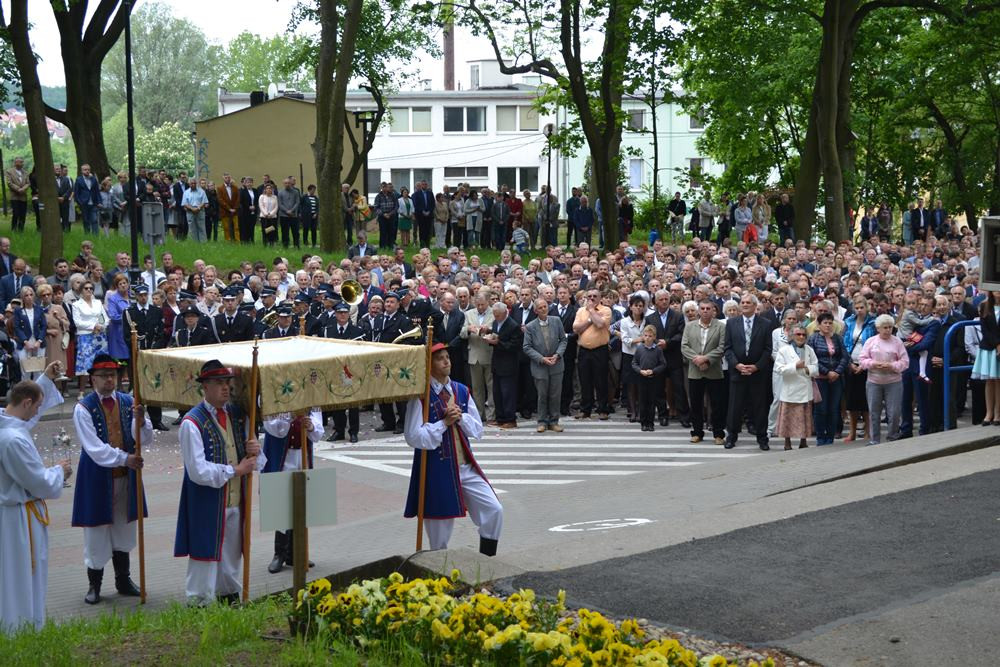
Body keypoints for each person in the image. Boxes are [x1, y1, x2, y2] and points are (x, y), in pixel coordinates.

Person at [175, 360, 265, 606]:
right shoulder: (191, 422)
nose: (225, 388)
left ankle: (229, 596)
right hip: (207, 499)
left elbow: (257, 459)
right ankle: (199, 602)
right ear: (204, 386)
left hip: (235, 498)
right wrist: (235, 470)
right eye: (218, 383)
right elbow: (197, 471)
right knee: (205, 554)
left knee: (232, 554)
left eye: (227, 382)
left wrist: (255, 449)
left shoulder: (238, 415)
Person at [402, 343, 502, 556]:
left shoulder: (461, 390)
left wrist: (462, 417)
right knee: (439, 528)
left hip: (465, 466)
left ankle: (487, 559)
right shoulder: (421, 396)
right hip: (437, 470)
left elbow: (478, 430)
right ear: (429, 365)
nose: (446, 361)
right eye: (440, 358)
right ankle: (439, 573)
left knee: (494, 510)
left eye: (447, 357)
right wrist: (443, 423)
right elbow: (413, 436)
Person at [71, 354, 150, 604]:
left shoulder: (129, 402)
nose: (109, 380)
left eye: (113, 375)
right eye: (104, 376)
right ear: (93, 378)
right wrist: (125, 458)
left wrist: (141, 419)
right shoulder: (83, 407)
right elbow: (94, 448)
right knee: (96, 532)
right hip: (97, 477)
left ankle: (123, 580)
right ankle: (94, 584)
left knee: (123, 528)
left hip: (125, 477)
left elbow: (144, 438)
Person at [0, 362, 71, 633]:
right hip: (18, 518)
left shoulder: (8, 423)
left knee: (12, 575)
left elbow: (26, 415)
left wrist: (45, 378)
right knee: (20, 576)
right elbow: (38, 482)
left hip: (10, 514)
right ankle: (20, 629)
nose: (38, 413)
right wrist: (59, 471)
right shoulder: (13, 440)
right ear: (27, 403)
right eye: (38, 406)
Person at [262, 409, 323, 573]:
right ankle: (279, 554)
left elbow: (318, 432)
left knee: (301, 504)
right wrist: (291, 418)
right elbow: (272, 427)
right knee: (282, 505)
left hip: (302, 455)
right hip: (282, 455)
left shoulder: (309, 397)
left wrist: (310, 426)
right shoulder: (273, 395)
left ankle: (296, 553)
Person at [724, 294, 772, 450]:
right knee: (734, 407)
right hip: (738, 371)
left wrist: (756, 366)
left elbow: (767, 349)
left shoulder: (765, 324)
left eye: (747, 302)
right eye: (742, 302)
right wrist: (737, 365)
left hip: (757, 373)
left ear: (754, 305)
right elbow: (728, 348)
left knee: (759, 407)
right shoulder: (731, 323)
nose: (744, 304)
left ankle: (762, 438)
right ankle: (731, 436)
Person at [123, 284, 169, 431]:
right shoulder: (129, 312)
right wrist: (138, 350)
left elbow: (161, 334)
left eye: (145, 295)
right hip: (137, 355)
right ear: (136, 296)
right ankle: (137, 418)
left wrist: (153, 349)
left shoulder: (156, 311)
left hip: (152, 354)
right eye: (140, 295)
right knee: (137, 386)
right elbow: (127, 336)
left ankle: (156, 420)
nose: (143, 298)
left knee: (155, 385)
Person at [859, 314, 910, 444]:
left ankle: (892, 436)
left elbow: (905, 362)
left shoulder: (897, 342)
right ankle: (874, 439)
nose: (888, 330)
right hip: (874, 381)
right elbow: (862, 360)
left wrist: (891, 366)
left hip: (893, 381)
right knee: (874, 412)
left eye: (890, 327)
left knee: (894, 412)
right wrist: (873, 364)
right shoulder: (871, 341)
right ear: (878, 328)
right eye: (885, 327)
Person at [682, 299, 726, 444]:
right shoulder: (689, 326)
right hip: (695, 370)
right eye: (703, 308)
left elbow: (722, 347)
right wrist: (697, 359)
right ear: (699, 310)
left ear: (713, 310)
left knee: (717, 404)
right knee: (695, 403)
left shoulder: (720, 326)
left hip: (713, 370)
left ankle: (718, 434)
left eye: (709, 308)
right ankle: (697, 432)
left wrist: (706, 359)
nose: (706, 311)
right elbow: (684, 346)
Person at [522, 298, 567, 433]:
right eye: (540, 307)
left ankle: (554, 421)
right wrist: (541, 358)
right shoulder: (530, 326)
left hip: (556, 364)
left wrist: (557, 355)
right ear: (535, 310)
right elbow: (527, 347)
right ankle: (542, 421)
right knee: (542, 394)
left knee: (555, 394)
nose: (543, 309)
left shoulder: (556, 321)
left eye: (545, 306)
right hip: (540, 366)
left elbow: (563, 340)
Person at [774, 324, 818, 450]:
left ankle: (803, 441)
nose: (801, 337)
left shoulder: (809, 349)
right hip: (790, 390)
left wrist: (808, 369)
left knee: (804, 417)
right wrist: (795, 366)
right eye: (798, 334)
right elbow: (779, 369)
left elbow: (816, 366)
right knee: (788, 418)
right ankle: (787, 443)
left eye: (804, 334)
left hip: (805, 389)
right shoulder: (784, 350)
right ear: (792, 336)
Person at [324, 302, 362, 443]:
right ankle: (339, 430)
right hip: (335, 370)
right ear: (335, 314)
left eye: (345, 312)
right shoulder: (328, 330)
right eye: (339, 313)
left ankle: (354, 431)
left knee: (353, 404)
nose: (342, 315)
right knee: (337, 403)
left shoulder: (357, 331)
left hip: (352, 371)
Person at [808, 313, 847, 445]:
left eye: (830, 323)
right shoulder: (813, 339)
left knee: (833, 408)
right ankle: (820, 436)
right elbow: (812, 359)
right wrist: (827, 372)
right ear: (819, 325)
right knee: (821, 409)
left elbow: (844, 357)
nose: (828, 325)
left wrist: (836, 371)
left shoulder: (838, 338)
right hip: (820, 378)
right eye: (825, 323)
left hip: (836, 378)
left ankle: (830, 436)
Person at [574, 288, 613, 419]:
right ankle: (585, 409)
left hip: (600, 350)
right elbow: (576, 328)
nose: (591, 298)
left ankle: (603, 409)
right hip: (584, 350)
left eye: (594, 296)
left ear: (600, 298)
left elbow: (601, 324)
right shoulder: (580, 311)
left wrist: (591, 311)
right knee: (585, 380)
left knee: (601, 380)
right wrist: (591, 320)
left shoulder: (606, 310)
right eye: (589, 296)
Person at [843, 297, 876, 442]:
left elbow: (875, 344)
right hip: (852, 363)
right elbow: (843, 344)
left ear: (867, 307)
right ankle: (852, 432)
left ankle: (869, 432)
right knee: (852, 401)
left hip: (867, 365)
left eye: (862, 307)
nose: (859, 310)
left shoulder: (873, 323)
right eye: (857, 307)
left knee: (867, 401)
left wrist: (864, 365)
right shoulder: (848, 322)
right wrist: (850, 363)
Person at [486, 302, 521, 429]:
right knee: (497, 392)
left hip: (509, 364)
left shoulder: (513, 325)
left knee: (508, 393)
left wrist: (498, 342)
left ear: (505, 313)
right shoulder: (496, 323)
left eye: (498, 315)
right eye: (494, 315)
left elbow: (515, 346)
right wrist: (491, 340)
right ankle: (500, 418)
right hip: (497, 362)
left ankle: (510, 418)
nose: (496, 317)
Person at [72, 281, 109, 392]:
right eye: (86, 288)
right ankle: (82, 391)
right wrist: (93, 326)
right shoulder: (76, 304)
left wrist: (101, 326)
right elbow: (77, 322)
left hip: (100, 336)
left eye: (91, 288)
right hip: (85, 336)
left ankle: (99, 388)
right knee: (86, 363)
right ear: (81, 291)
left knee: (100, 362)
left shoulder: (98, 303)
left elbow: (105, 318)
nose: (89, 290)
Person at [971, 293, 1000, 425]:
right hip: (988, 348)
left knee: (998, 381)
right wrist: (997, 344)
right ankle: (988, 413)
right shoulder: (984, 305)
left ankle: (997, 414)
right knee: (989, 381)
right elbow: (985, 329)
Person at [631, 326, 666, 431]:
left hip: (653, 378)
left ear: (654, 337)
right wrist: (640, 371)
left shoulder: (658, 350)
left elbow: (663, 364)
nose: (647, 338)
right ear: (643, 336)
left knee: (651, 401)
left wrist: (654, 371)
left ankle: (650, 423)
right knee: (642, 401)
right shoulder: (639, 348)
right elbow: (634, 363)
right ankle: (643, 423)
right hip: (642, 378)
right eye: (645, 336)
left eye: (650, 336)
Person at [181, 177, 209, 243]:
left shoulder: (201, 191)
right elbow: (184, 203)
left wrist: (198, 208)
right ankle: (194, 243)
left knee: (201, 227)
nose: (193, 185)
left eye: (194, 183)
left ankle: (203, 243)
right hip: (190, 212)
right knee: (192, 228)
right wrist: (192, 209)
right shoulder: (186, 192)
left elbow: (204, 201)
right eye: (191, 183)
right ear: (189, 184)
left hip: (200, 211)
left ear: (196, 184)